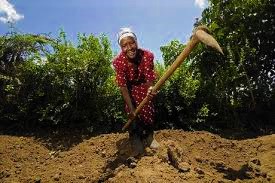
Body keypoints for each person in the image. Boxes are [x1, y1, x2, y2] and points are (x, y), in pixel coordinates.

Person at [113, 27, 159, 157]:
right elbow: (123, 87)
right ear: (121, 48)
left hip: (144, 87)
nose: (129, 48)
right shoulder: (118, 62)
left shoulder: (147, 56)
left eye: (131, 43)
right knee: (132, 115)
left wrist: (150, 89)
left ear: (136, 42)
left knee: (148, 110)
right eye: (124, 45)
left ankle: (149, 136)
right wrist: (132, 108)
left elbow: (149, 78)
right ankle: (135, 138)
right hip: (130, 91)